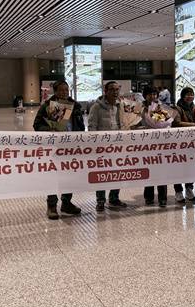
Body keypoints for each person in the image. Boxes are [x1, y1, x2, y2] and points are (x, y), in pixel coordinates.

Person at [33, 80, 84, 219]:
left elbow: (80, 125)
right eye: (61, 90)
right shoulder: (47, 106)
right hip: (54, 148)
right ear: (55, 92)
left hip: (71, 147)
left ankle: (66, 203)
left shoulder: (75, 106)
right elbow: (37, 125)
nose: (64, 92)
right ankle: (52, 205)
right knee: (53, 176)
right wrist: (50, 130)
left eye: (66, 90)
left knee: (70, 176)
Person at [88, 81, 128, 211]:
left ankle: (114, 198)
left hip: (118, 146)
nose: (115, 92)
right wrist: (95, 145)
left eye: (117, 89)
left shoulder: (121, 106)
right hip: (102, 147)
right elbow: (92, 127)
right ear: (105, 91)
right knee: (102, 174)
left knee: (117, 173)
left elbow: (124, 123)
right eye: (112, 89)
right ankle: (100, 200)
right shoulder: (96, 107)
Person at [140, 86, 168, 207]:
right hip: (145, 143)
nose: (153, 96)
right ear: (145, 95)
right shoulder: (139, 107)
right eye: (150, 94)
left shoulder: (161, 107)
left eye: (154, 94)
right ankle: (148, 196)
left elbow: (167, 122)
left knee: (162, 171)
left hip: (160, 143)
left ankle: (162, 197)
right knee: (149, 170)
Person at [172, 87, 195, 204]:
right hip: (179, 143)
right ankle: (178, 191)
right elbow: (177, 123)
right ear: (182, 96)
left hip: (192, 143)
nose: (190, 96)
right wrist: (194, 125)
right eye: (187, 94)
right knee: (178, 167)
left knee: (190, 167)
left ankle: (189, 189)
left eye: (192, 94)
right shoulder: (177, 108)